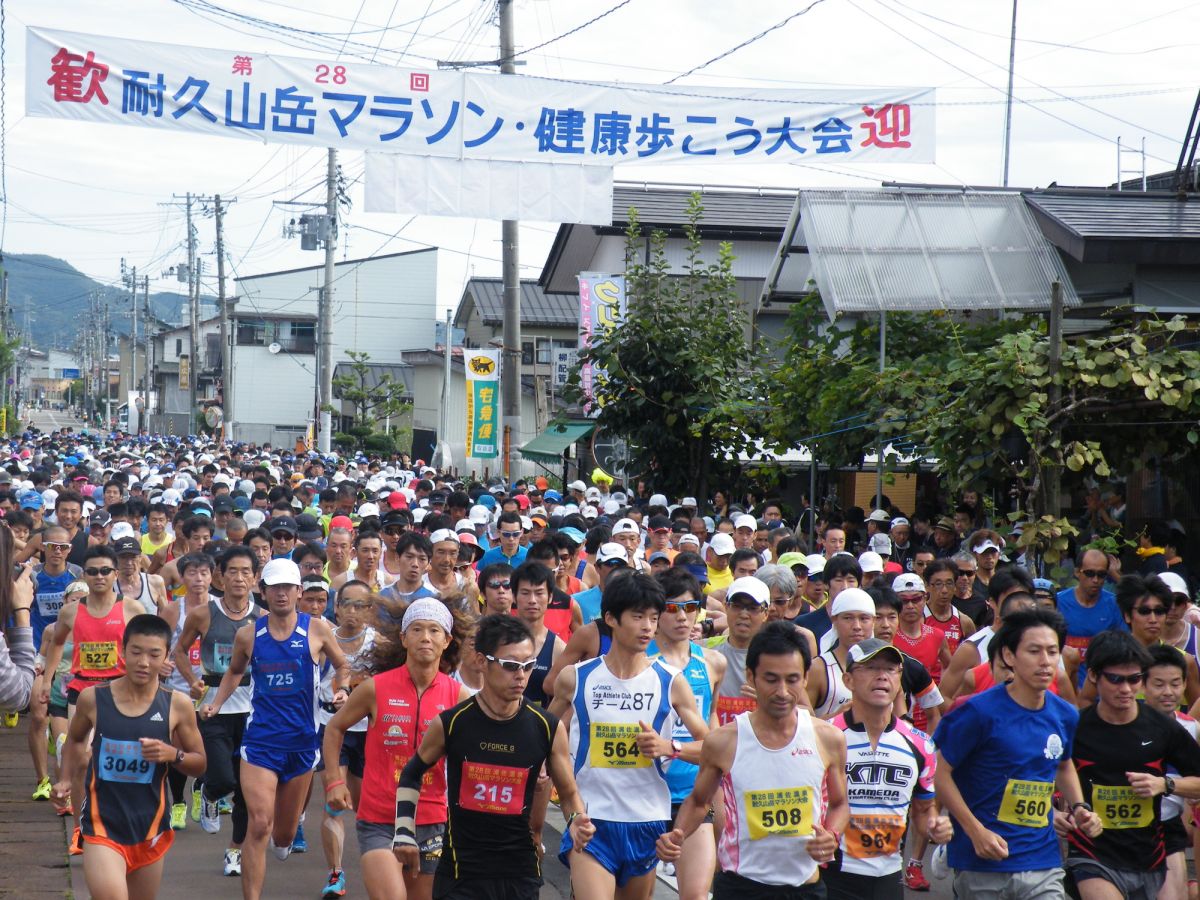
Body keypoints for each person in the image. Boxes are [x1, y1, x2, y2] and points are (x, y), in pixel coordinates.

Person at [389, 614, 595, 900]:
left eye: (528, 666)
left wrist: (576, 820)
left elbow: (570, 792)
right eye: (511, 666)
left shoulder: (547, 727)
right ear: (482, 661)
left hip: (519, 873)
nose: (521, 676)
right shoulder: (452, 722)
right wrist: (403, 831)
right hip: (461, 873)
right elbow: (411, 773)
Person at [657, 620, 850, 899]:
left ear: (806, 678)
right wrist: (678, 836)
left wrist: (831, 835)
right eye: (771, 679)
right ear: (751, 677)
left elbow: (840, 804)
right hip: (741, 886)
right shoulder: (724, 741)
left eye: (792, 679)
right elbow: (699, 802)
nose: (782, 691)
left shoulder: (829, 738)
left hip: (805, 887)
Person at [549, 571, 710, 899]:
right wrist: (555, 778)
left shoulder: (670, 681)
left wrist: (669, 746)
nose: (648, 627)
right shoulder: (576, 678)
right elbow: (544, 733)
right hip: (592, 819)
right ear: (610, 618)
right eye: (638, 617)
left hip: (646, 819)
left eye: (653, 617)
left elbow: (712, 748)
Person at [202, 557, 350, 900]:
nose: (281, 594)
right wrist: (217, 703)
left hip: (301, 745)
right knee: (259, 824)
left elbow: (342, 665)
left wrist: (340, 689)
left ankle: (283, 839)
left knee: (282, 837)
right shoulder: (248, 634)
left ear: (299, 591)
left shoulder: (317, 629)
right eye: (274, 587)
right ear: (263, 591)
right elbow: (235, 671)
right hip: (260, 744)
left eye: (288, 587)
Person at [933, 608, 1101, 899]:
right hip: (982, 860)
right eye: (1034, 651)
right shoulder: (976, 712)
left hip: (1042, 859)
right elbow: (940, 773)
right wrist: (975, 831)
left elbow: (1063, 765)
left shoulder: (1064, 714)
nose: (1045, 661)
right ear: (1009, 656)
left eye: (1052, 651)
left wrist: (1079, 807)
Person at [52, 614, 206, 899]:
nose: (144, 662)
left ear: (166, 657)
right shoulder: (93, 699)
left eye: (153, 654)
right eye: (135, 652)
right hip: (102, 825)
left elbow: (200, 763)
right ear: (123, 651)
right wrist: (63, 779)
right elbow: (74, 739)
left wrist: (173, 754)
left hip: (150, 827)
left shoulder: (178, 705)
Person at [322, 597, 465, 900]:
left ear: (446, 640)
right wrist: (334, 781)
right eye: (416, 629)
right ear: (403, 638)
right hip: (379, 818)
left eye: (434, 631)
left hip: (431, 820)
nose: (425, 637)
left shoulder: (458, 696)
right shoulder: (376, 687)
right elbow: (335, 728)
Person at [1065, 630, 1200, 900]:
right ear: (1093, 675)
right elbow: (1046, 775)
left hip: (1150, 852)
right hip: (1092, 852)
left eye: (1134, 679)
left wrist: (1165, 784)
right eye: (1115, 679)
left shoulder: (1163, 728)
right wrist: (1063, 812)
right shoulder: (1075, 726)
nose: (1126, 689)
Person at [824, 638, 953, 900]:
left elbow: (922, 810)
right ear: (848, 680)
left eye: (890, 669)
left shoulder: (921, 744)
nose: (882, 676)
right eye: (871, 668)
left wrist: (935, 825)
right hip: (831, 875)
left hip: (888, 877)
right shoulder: (825, 736)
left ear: (900, 679)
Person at [174, 544, 262, 877]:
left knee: (245, 791)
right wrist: (191, 680)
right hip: (212, 706)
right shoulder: (204, 614)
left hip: (251, 710)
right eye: (232, 571)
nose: (239, 578)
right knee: (221, 775)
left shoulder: (262, 618)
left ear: (255, 578)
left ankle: (235, 851)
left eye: (245, 572)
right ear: (220, 577)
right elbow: (180, 651)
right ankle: (209, 793)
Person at [646, 567, 725, 900]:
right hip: (644, 796)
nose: (682, 617)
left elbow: (712, 719)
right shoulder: (639, 662)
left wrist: (714, 766)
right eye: (671, 608)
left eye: (690, 608)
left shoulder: (712, 663)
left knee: (694, 895)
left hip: (694, 795)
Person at [312, 580, 377, 899]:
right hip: (331, 728)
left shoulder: (382, 645)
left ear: (371, 610)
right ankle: (335, 873)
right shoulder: (323, 640)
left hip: (370, 732)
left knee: (366, 805)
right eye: (347, 604)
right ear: (335, 608)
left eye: (361, 605)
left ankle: (377, 863)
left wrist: (355, 695)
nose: (353, 612)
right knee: (334, 800)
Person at [1140, 644, 1200, 900]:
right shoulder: (1126, 725)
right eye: (1159, 684)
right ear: (1142, 684)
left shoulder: (1191, 727)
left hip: (1170, 828)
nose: (1168, 692)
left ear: (1185, 684)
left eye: (1175, 684)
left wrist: (1167, 786)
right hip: (1126, 829)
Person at [27, 524, 81, 800]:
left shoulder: (79, 575)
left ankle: (68, 772)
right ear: (42, 547)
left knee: (70, 725)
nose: (57, 551)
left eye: (63, 547)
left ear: (70, 549)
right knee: (38, 715)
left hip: (72, 658)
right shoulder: (31, 575)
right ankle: (42, 779)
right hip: (40, 651)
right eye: (51, 546)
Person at [1058, 547, 1125, 685]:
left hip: (1103, 690)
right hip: (1066, 689)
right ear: (1077, 572)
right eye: (1089, 573)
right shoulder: (1059, 602)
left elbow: (1123, 648)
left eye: (1101, 575)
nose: (1095, 580)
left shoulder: (1114, 605)